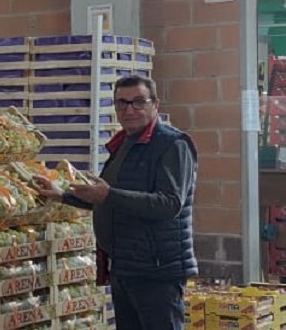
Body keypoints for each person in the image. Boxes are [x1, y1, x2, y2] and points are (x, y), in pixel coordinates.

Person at [35, 75, 197, 330]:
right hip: (125, 265)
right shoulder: (125, 143)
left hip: (156, 270)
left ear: (156, 104)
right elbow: (109, 199)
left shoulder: (172, 144)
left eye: (138, 102)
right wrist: (63, 195)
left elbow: (169, 204)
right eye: (122, 103)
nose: (129, 110)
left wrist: (108, 195)